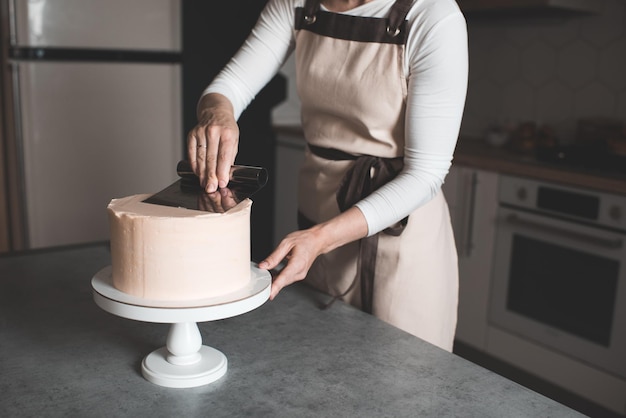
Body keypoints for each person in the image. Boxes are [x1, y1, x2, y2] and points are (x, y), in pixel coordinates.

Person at [187, 0, 468, 352]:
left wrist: (320, 239)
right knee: (323, 370)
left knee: (401, 381)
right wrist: (217, 113)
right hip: (317, 221)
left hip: (400, 236)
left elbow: (426, 173)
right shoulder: (296, 4)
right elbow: (232, 85)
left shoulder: (433, 16)